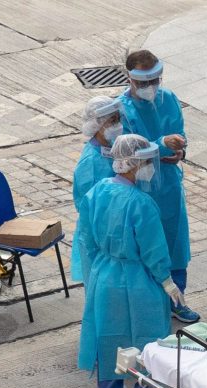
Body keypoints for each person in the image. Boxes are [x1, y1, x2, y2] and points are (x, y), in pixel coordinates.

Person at [78, 134, 181, 388]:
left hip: (104, 273)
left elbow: (85, 237)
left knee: (109, 333)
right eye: (147, 161)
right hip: (138, 279)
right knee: (147, 333)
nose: (151, 166)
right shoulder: (141, 203)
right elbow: (153, 250)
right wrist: (167, 281)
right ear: (133, 164)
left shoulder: (98, 191)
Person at [118, 50, 199, 323]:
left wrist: (179, 150)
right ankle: (148, 305)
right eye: (143, 82)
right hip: (139, 187)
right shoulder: (121, 110)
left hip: (169, 185)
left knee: (175, 244)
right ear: (129, 78)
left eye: (155, 80)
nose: (150, 88)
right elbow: (129, 150)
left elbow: (179, 133)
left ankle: (177, 299)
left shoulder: (169, 99)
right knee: (146, 245)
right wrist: (163, 144)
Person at [71, 96, 121, 284]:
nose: (118, 125)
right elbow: (88, 207)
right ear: (98, 124)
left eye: (118, 119)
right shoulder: (90, 163)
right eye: (112, 121)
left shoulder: (111, 149)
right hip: (99, 236)